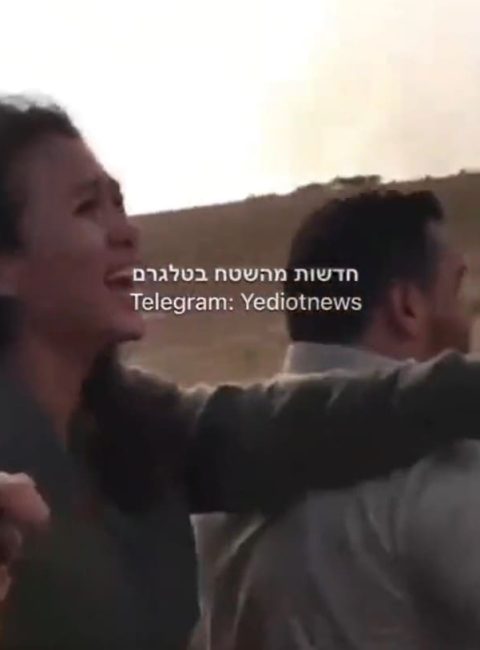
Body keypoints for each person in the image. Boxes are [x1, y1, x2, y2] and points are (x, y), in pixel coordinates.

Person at [0, 94, 479, 650]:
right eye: (87, 209)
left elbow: (298, 422)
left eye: (118, 203)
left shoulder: (137, 424)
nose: (126, 232)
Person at [190, 191, 475, 649]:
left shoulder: (211, 485)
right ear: (406, 307)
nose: (469, 314)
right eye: (456, 290)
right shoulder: (440, 476)